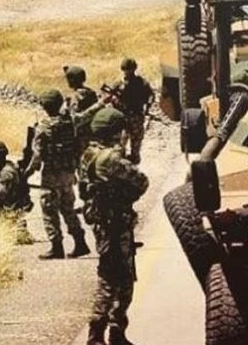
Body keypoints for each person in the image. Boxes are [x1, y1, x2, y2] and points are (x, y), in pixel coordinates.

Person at [80, 107, 149, 345]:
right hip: (115, 224)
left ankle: (111, 332)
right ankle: (99, 333)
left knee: (115, 276)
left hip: (104, 222)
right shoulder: (111, 158)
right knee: (116, 279)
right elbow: (141, 182)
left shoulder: (89, 153)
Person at [24, 89, 90, 260]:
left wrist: (27, 173)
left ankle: (56, 247)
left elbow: (37, 155)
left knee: (49, 210)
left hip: (51, 175)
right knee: (68, 208)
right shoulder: (70, 122)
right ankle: (80, 242)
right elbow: (86, 117)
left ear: (44, 106)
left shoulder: (43, 127)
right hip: (68, 173)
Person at [113, 57, 155, 164]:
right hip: (123, 118)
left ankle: (133, 168)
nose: (127, 72)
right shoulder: (119, 85)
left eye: (129, 69)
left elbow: (151, 96)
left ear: (134, 69)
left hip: (136, 117)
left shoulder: (141, 83)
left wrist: (147, 108)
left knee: (135, 147)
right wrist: (116, 101)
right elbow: (110, 99)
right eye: (126, 69)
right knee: (120, 146)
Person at [64, 64, 100, 158]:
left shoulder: (75, 97)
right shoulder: (91, 93)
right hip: (93, 134)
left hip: (80, 137)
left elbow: (74, 119)